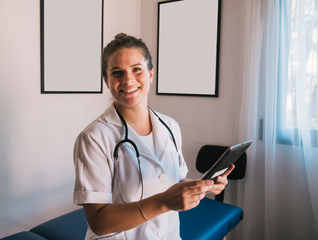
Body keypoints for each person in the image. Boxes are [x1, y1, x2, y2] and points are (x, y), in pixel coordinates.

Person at [73, 33, 234, 240]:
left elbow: (177, 180)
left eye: (136, 69)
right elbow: (99, 222)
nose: (128, 80)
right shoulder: (94, 137)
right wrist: (164, 202)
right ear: (107, 80)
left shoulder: (170, 126)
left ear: (150, 74)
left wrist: (203, 185)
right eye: (117, 72)